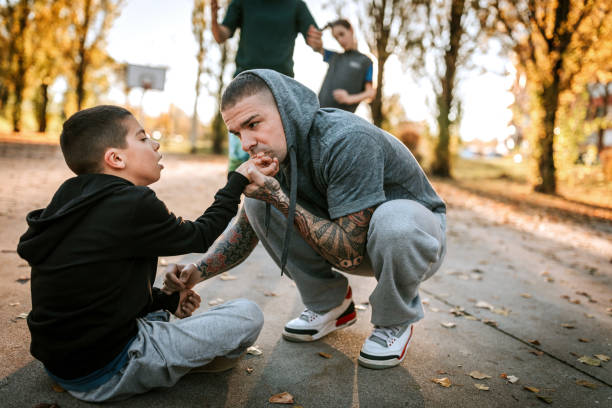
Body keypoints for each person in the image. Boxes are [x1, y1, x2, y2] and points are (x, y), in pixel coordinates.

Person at [164, 70, 447, 370]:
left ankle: (395, 321)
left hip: (415, 240)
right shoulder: (280, 153)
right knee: (258, 205)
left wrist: (280, 198)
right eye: (238, 133)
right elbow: (246, 231)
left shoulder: (346, 139)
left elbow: (349, 254)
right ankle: (331, 305)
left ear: (286, 109)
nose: (247, 143)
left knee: (394, 224)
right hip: (355, 240)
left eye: (253, 124)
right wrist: (194, 273)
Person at [16, 105, 277, 402]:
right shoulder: (133, 203)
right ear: (115, 158)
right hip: (108, 370)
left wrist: (166, 300)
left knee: (160, 308)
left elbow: (94, 289)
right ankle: (169, 363)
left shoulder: (69, 199)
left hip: (62, 363)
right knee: (246, 315)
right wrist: (238, 181)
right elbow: (200, 235)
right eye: (143, 138)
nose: (156, 144)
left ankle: (163, 335)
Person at [210, 0, 323, 172]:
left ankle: (280, 195)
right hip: (244, 86)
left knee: (278, 153)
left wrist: (317, 42)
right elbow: (221, 35)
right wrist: (213, 18)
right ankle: (234, 194)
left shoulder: (296, 5)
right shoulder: (241, 2)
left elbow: (314, 43)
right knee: (239, 156)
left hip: (280, 87)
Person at [318, 18, 375, 113]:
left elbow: (370, 93)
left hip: (342, 119)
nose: (340, 40)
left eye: (341, 34)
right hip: (318, 112)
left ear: (351, 30)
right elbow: (316, 46)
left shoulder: (366, 61)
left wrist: (349, 98)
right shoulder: (334, 56)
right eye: (336, 38)